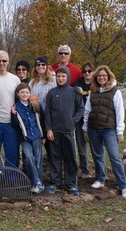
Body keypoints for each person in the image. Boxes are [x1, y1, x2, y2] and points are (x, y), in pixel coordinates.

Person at [83, 65, 126, 198]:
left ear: (108, 77)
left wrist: (120, 131)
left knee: (114, 157)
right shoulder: (93, 91)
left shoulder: (115, 92)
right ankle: (100, 179)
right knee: (97, 155)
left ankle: (123, 185)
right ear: (96, 78)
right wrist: (85, 129)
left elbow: (120, 112)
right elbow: (87, 111)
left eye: (104, 75)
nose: (102, 77)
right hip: (93, 129)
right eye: (99, 76)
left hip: (109, 130)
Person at [45, 66, 84, 196]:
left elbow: (80, 109)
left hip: (69, 131)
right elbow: (48, 113)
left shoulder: (74, 92)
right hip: (55, 131)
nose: (61, 79)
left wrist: (73, 120)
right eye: (58, 76)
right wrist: (49, 129)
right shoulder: (51, 93)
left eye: (63, 76)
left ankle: (71, 184)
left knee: (70, 158)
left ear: (67, 77)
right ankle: (55, 182)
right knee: (55, 157)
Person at [11, 83, 46, 194]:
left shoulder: (34, 105)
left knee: (38, 160)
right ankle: (36, 183)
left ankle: (38, 182)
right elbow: (15, 124)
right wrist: (13, 115)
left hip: (36, 135)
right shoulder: (16, 107)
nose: (24, 94)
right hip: (25, 137)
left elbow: (42, 119)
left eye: (26, 92)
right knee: (29, 158)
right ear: (18, 94)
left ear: (29, 93)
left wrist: (43, 135)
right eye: (22, 92)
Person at [72, 62, 95, 178]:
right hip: (80, 120)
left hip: (94, 120)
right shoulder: (77, 84)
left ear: (93, 72)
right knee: (81, 147)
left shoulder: (97, 84)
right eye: (84, 71)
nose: (87, 73)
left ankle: (100, 171)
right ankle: (85, 170)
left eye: (89, 71)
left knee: (96, 147)